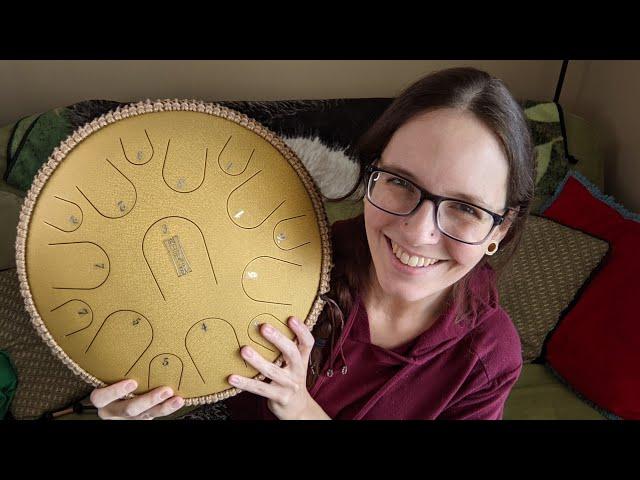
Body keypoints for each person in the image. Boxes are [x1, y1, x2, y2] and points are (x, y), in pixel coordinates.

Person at [90, 67, 536, 420]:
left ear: (500, 228)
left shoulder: (488, 357)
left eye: (466, 208)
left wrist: (302, 410)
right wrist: (135, 398)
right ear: (371, 171)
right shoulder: (282, 254)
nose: (419, 232)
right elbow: (176, 327)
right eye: (400, 182)